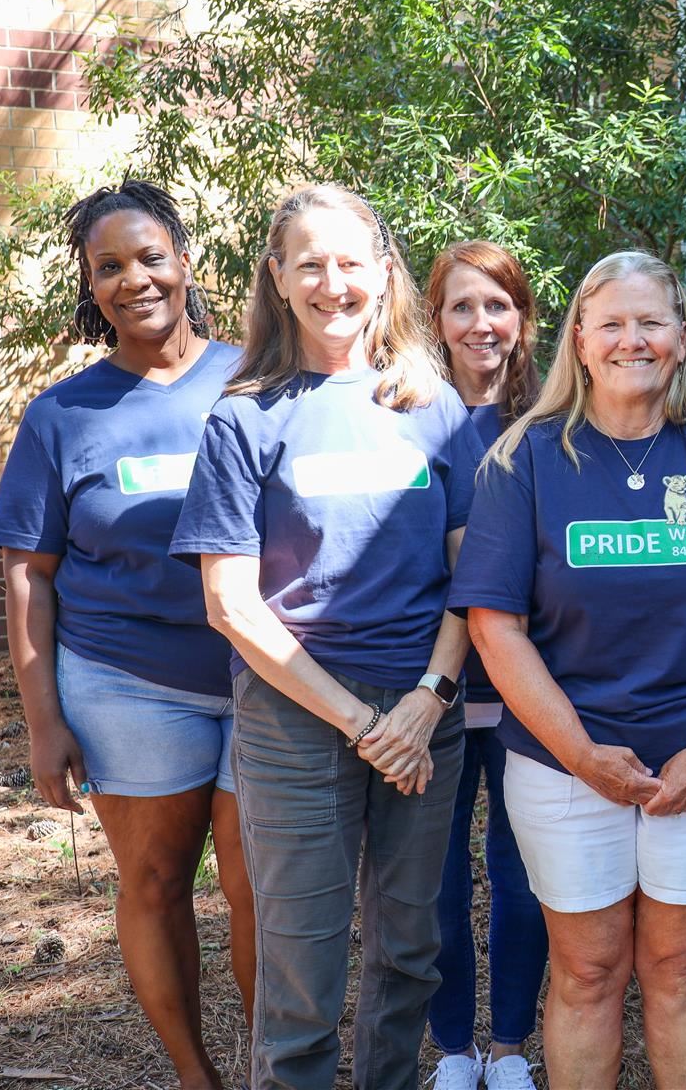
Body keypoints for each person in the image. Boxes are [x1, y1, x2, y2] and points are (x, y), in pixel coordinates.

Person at [449, 250, 686, 1090]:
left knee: (679, 968)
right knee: (589, 972)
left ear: (682, 337)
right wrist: (579, 754)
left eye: (650, 322)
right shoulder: (525, 458)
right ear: (580, 337)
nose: (630, 340)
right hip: (563, 764)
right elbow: (496, 628)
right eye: (611, 322)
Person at [170, 184, 484, 1089]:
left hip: (427, 716)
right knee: (301, 973)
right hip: (297, 725)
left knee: (410, 950)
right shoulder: (246, 415)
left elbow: (475, 578)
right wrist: (360, 720)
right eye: (310, 263)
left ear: (384, 275)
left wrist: (427, 702)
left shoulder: (434, 408)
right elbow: (229, 603)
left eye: (351, 262)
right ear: (277, 276)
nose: (332, 282)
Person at [0, 179, 252, 1090]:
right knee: (153, 884)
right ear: (91, 288)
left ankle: (275, 1070)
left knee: (260, 891)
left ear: (185, 260)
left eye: (149, 257)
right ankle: (197, 1079)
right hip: (126, 684)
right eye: (109, 267)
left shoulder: (257, 376)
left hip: (266, 677)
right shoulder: (63, 415)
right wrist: (42, 720)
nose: (133, 279)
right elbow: (28, 571)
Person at [423, 241, 548, 1090]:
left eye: (496, 305)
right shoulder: (409, 414)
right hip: (429, 692)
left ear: (523, 318)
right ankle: (453, 1053)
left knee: (521, 870)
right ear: (435, 320)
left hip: (528, 691)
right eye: (461, 307)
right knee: (434, 878)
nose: (480, 324)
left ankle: (509, 1047)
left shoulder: (554, 420)